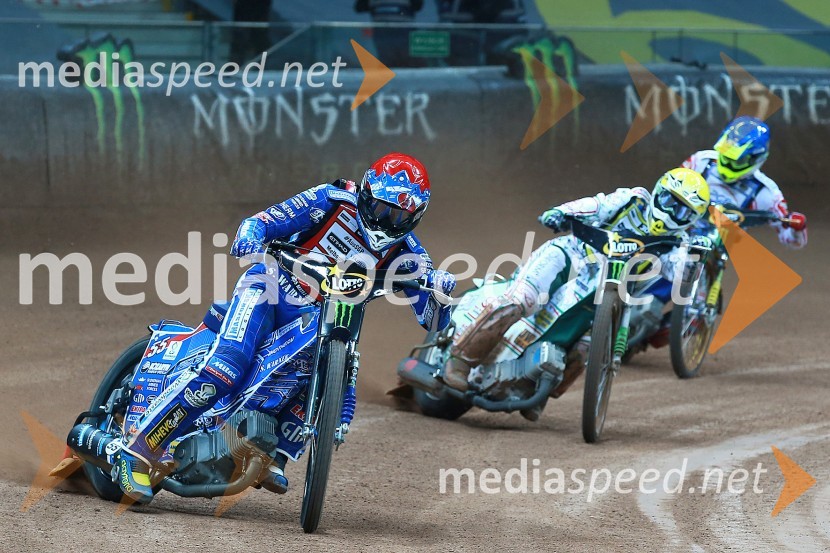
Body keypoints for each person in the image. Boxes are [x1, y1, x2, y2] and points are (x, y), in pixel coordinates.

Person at [117, 153, 456, 503]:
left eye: (398, 215)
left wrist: (442, 295)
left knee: (328, 374)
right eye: (381, 209)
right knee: (226, 367)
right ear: (367, 194)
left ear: (415, 216)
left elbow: (433, 322)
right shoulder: (330, 199)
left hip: (321, 324)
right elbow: (261, 222)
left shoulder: (410, 255)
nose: (387, 221)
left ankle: (272, 453)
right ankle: (137, 452)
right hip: (268, 289)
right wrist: (251, 242)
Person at [441, 168, 711, 392]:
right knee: (522, 299)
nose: (672, 212)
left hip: (602, 290)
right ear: (659, 192)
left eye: (683, 211)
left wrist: (695, 257)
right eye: (670, 201)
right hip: (571, 253)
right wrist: (562, 212)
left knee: (587, 346)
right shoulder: (634, 199)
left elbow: (682, 279)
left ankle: (535, 391)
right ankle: (460, 361)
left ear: (693, 219)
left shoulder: (677, 244)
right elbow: (598, 204)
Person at [633, 116, 808, 352]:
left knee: (692, 306)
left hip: (715, 249)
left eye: (735, 160)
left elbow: (790, 238)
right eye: (725, 155)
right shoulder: (702, 161)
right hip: (676, 231)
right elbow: (668, 186)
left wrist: (797, 227)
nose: (726, 162)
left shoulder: (766, 193)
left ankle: (657, 328)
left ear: (756, 160)